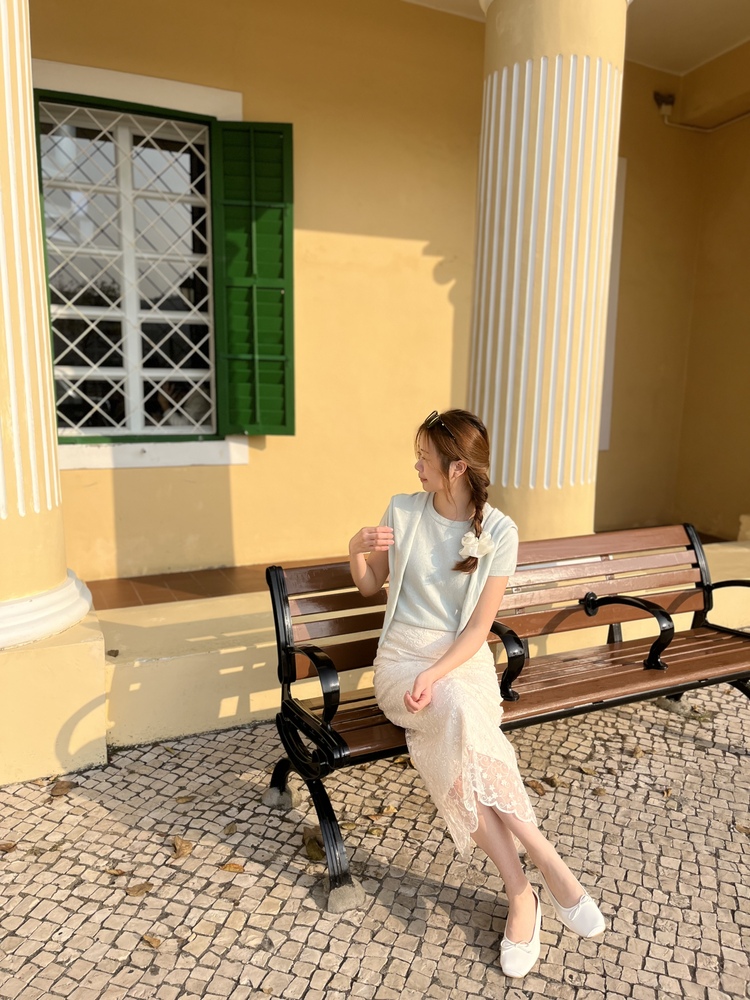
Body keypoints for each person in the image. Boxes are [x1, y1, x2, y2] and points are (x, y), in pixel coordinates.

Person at [348, 409, 605, 979]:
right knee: (460, 718)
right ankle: (546, 865)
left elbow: (477, 631)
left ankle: (522, 891)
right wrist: (354, 548)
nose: (416, 466)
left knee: (461, 722)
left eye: (425, 458)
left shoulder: (500, 532)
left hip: (462, 663)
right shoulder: (402, 510)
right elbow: (369, 586)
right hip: (400, 662)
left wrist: (436, 673)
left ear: (457, 467)